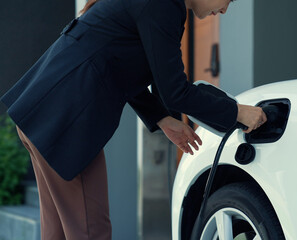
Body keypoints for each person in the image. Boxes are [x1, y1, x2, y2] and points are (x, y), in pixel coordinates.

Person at [1, 0, 267, 238]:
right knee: (91, 232)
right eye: (228, 0)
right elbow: (176, 92)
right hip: (65, 121)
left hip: (44, 112)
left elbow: (116, 63)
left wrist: (162, 118)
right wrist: (237, 112)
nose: (224, 10)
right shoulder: (164, 6)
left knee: (58, 233)